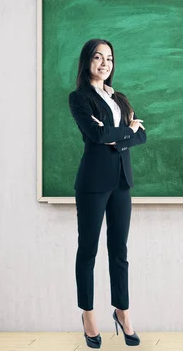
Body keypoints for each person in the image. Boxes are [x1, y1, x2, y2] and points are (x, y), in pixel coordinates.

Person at [69, 39, 146, 348]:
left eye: (109, 58)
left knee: (120, 252)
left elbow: (141, 135)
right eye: (98, 57)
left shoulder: (120, 98)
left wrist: (119, 135)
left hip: (121, 182)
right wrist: (124, 131)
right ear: (87, 61)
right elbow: (96, 134)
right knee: (88, 251)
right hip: (92, 183)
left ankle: (122, 312)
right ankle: (88, 315)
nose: (104, 63)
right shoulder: (79, 99)